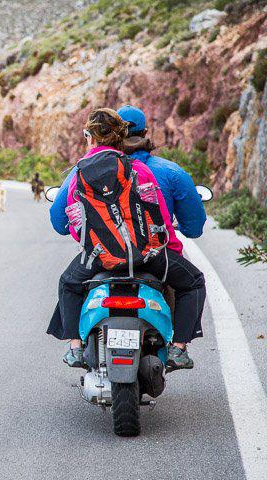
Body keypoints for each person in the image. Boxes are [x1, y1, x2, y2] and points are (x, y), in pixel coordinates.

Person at [46, 108, 206, 370]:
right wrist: (168, 250)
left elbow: (68, 222)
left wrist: (91, 243)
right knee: (194, 281)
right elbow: (160, 219)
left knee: (68, 283)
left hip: (101, 258)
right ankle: (178, 349)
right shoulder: (140, 169)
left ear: (90, 137)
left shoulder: (78, 173)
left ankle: (74, 346)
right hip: (146, 257)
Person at [50, 105, 206, 238]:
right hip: (156, 257)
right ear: (144, 133)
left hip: (103, 258)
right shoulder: (170, 171)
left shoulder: (84, 170)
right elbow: (194, 228)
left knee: (68, 275)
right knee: (195, 275)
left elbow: (60, 222)